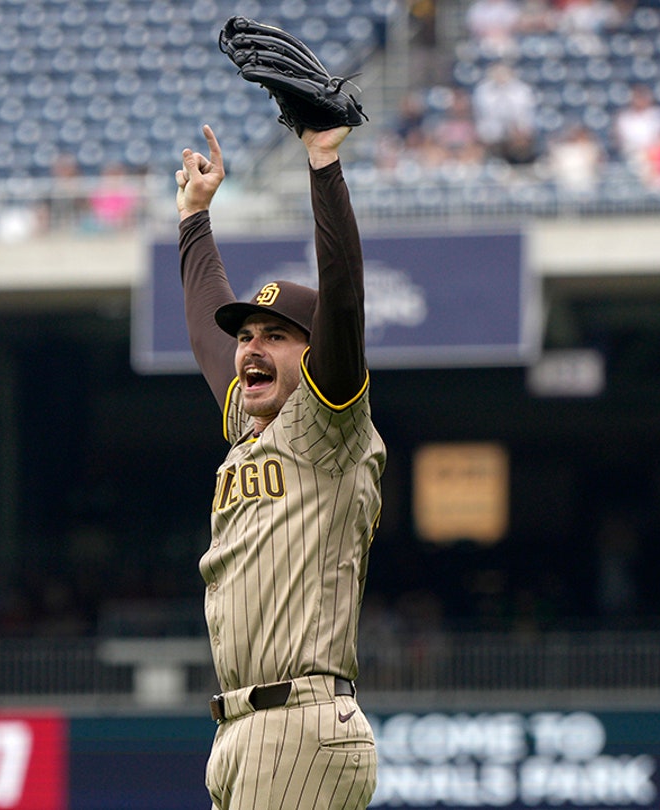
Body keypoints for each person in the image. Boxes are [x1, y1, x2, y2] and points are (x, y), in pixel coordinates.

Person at [175, 123, 384, 810]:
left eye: (276, 336)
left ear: (314, 351)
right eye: (249, 338)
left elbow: (344, 296)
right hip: (243, 730)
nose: (251, 348)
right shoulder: (250, 424)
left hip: (300, 720)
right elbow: (211, 332)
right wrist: (195, 219)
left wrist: (324, 167)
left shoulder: (329, 422)